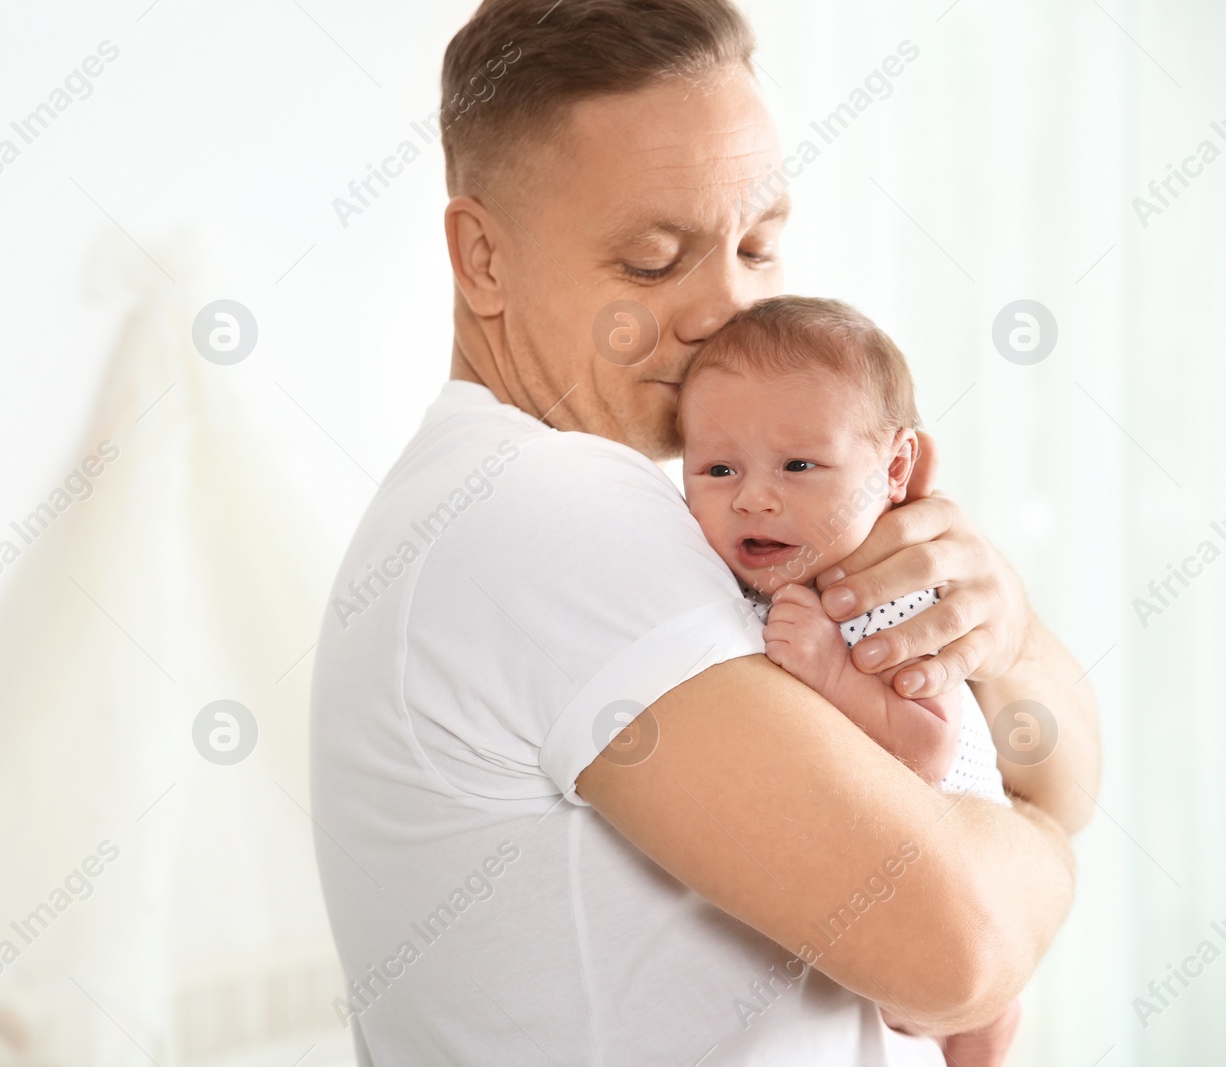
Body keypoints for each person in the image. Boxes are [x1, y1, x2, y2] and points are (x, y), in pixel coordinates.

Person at [309, 2, 1100, 1063]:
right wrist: (1042, 845)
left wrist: (998, 627)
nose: (726, 309)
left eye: (759, 243)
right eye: (649, 261)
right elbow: (957, 951)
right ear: (482, 256)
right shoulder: (544, 509)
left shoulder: (708, 518)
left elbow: (1064, 770)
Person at [680, 295, 1020, 1065]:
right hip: (870, 875)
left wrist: (834, 669)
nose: (754, 496)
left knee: (967, 1010)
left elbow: (930, 743)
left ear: (895, 469)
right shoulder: (741, 582)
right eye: (716, 468)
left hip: (963, 842)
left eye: (800, 466)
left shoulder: (883, 596)